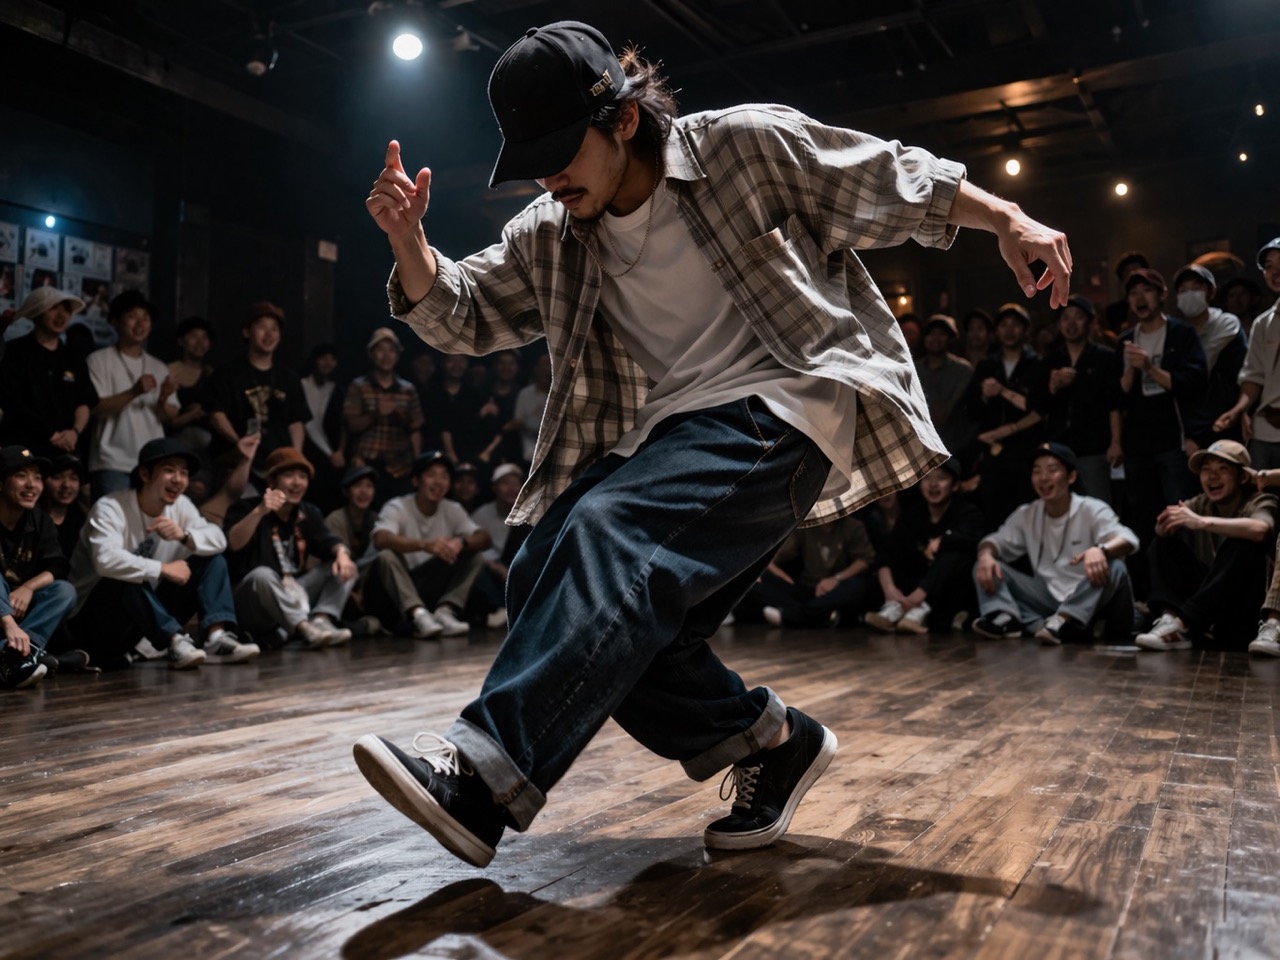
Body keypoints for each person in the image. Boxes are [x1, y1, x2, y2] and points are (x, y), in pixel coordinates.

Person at [353, 20, 1072, 867]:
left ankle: (483, 781)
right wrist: (409, 243)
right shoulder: (553, 231)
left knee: (609, 532)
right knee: (544, 575)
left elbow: (886, 175)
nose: (550, 179)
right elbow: (465, 312)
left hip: (787, 404)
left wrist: (1008, 219)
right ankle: (771, 741)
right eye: (534, 163)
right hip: (674, 430)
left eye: (562, 153)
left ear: (623, 119)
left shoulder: (742, 146)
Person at [66, 437, 255, 669]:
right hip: (93, 620)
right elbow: (104, 560)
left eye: (184, 473)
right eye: (169, 470)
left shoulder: (181, 506)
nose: (178, 479)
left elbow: (218, 540)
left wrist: (184, 535)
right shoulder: (110, 507)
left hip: (142, 620)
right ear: (145, 474)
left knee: (212, 559)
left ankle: (215, 638)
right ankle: (174, 640)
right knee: (125, 576)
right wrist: (163, 569)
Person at [972, 443, 1138, 644]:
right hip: (1047, 596)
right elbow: (994, 541)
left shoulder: (1091, 508)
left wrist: (1101, 550)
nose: (1044, 477)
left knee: (1116, 566)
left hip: (1088, 594)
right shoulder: (1027, 514)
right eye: (1037, 471)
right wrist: (986, 555)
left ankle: (1063, 620)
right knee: (984, 564)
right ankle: (1006, 618)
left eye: (1052, 470)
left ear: (1071, 477)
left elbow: (1129, 539)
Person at [1137, 440, 1278, 651]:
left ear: (1242, 477)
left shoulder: (1260, 500)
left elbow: (1260, 529)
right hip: (1211, 603)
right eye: (1206, 470)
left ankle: (1184, 624)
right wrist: (1164, 525)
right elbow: (1164, 528)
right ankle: (1169, 620)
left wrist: (1201, 522)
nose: (1213, 476)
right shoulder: (1201, 502)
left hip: (1246, 606)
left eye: (1223, 469)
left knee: (1242, 543)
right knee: (1162, 543)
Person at [224, 447, 357, 648]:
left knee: (345, 566)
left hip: (293, 591)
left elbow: (328, 541)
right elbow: (233, 543)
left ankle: (321, 620)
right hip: (254, 601)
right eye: (289, 475)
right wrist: (260, 511)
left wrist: (342, 553)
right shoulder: (245, 507)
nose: (297, 482)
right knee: (262, 575)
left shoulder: (308, 512)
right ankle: (303, 629)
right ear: (271, 481)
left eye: (302, 476)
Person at [1117, 267, 1207, 550]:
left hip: (1173, 441)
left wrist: (1149, 368)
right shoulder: (1125, 340)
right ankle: (1151, 576)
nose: (1139, 298)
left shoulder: (1181, 333)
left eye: (1147, 291)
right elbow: (1116, 397)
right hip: (1137, 444)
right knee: (1143, 517)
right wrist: (1131, 371)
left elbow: (1194, 381)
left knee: (1179, 514)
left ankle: (1187, 574)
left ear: (1162, 294)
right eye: (1133, 293)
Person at [365, 451, 491, 638]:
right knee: (386, 556)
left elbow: (485, 538)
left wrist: (461, 542)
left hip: (428, 584)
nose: (438, 482)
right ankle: (418, 615)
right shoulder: (397, 506)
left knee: (476, 556)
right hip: (397, 588)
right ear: (416, 481)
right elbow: (381, 539)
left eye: (444, 476)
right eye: (431, 475)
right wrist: (425, 545)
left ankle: (445, 612)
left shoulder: (452, 509)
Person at [865, 459, 983, 634]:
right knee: (878, 574)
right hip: (913, 584)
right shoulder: (912, 514)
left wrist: (942, 540)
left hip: (948, 592)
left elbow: (972, 540)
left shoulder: (967, 512)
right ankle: (896, 606)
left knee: (954, 554)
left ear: (955, 486)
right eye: (927, 477)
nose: (933, 484)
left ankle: (916, 608)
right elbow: (886, 553)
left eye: (941, 478)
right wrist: (890, 590)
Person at [85, 291, 179, 499]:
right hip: (112, 462)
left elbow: (170, 418)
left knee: (151, 520)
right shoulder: (98, 360)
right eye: (132, 316)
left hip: (153, 462)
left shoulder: (159, 366)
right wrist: (134, 392)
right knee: (112, 519)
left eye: (146, 318)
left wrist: (163, 399)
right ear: (115, 322)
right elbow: (95, 409)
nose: (140, 324)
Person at [0, 447, 79, 688]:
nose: (31, 485)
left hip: (18, 609)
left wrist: (28, 588)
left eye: (37, 477)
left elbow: (58, 564)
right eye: (21, 476)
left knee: (64, 591)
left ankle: (18, 655)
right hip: (5, 615)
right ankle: (26, 656)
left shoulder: (39, 518)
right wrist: (8, 622)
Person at [965, 302, 1048, 527]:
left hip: (1026, 449)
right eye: (1003, 325)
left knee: (1028, 510)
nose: (1009, 331)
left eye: (1015, 325)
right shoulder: (987, 364)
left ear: (1026, 330)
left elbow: (1041, 408)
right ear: (996, 331)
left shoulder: (1038, 364)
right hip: (993, 453)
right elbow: (972, 409)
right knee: (995, 511)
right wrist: (984, 396)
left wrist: (1003, 391)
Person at [207, 301, 310, 482]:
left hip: (278, 465)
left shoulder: (289, 378)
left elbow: (296, 422)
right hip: (237, 463)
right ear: (247, 332)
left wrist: (295, 458)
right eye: (262, 327)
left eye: (274, 329)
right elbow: (216, 414)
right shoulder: (227, 373)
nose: (269, 334)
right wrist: (238, 443)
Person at [1042, 295, 1122, 504]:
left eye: (1078, 317)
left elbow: (1114, 404)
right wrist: (1053, 386)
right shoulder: (1051, 361)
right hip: (1058, 447)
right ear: (1059, 324)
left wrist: (1115, 442)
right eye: (1065, 318)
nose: (1071, 323)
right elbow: (1038, 406)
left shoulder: (1105, 357)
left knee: (1098, 506)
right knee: (1060, 506)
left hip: (1094, 447)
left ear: (1090, 322)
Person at [735, 513, 876, 628]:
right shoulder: (808, 525)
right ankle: (820, 616)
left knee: (858, 586)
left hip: (836, 590)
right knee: (753, 580)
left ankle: (794, 616)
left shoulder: (853, 526)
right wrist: (777, 573)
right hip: (807, 589)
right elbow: (774, 557)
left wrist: (836, 579)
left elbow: (864, 560)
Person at [0, 287, 96, 452]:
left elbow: (84, 402)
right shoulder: (15, 351)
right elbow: (11, 402)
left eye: (66, 310)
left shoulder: (74, 358)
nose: (61, 315)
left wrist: (75, 432)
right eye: (53, 308)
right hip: (23, 449)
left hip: (66, 449)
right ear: (36, 313)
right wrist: (50, 434)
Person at [1215, 237, 1280, 470]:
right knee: (1262, 490)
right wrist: (1238, 410)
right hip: (1266, 430)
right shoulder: (1264, 323)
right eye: (1269, 267)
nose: (1275, 272)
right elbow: (1254, 376)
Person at [344, 327, 424, 502]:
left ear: (397, 355)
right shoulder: (359, 386)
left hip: (400, 464)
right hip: (366, 463)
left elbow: (416, 427)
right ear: (371, 354)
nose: (386, 356)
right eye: (380, 350)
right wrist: (376, 413)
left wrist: (417, 465)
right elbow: (351, 425)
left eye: (391, 350)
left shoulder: (407, 389)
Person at [1174, 264, 1246, 454]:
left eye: (1196, 288)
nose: (1190, 294)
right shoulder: (1175, 333)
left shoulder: (1226, 323)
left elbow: (1199, 371)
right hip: (1185, 431)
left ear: (1211, 291)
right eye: (1183, 290)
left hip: (1222, 423)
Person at [299, 342, 347, 512]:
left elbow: (344, 423)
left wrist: (340, 451)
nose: (328, 363)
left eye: (332, 359)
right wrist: (329, 453)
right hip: (308, 451)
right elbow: (307, 422)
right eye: (324, 358)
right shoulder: (301, 385)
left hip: (332, 457)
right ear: (315, 360)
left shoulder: (336, 389)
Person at [915, 314, 972, 452]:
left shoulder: (963, 369)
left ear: (950, 338)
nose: (935, 338)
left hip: (957, 445)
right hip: (921, 444)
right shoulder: (914, 369)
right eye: (931, 333)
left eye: (942, 334)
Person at [167, 316, 216, 452]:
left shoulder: (211, 374)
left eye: (205, 337)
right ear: (181, 341)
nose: (200, 342)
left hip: (206, 444)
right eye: (194, 336)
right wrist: (191, 414)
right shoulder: (169, 371)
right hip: (175, 441)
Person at [40, 452, 89, 562]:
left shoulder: (83, 519)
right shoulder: (32, 519)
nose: (66, 485)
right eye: (57, 477)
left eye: (73, 478)